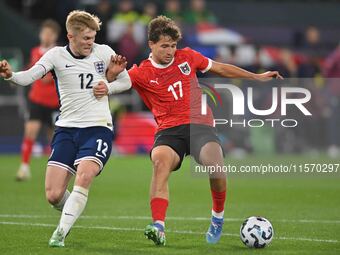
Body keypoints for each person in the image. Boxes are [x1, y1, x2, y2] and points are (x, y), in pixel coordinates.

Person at [104, 16, 283, 246]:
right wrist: (111, 74)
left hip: (200, 125)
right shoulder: (141, 73)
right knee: (160, 162)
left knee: (216, 166)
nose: (170, 51)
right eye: (164, 46)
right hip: (169, 130)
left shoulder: (187, 56)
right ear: (151, 44)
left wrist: (255, 76)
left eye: (172, 46)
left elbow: (220, 68)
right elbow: (109, 87)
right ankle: (158, 226)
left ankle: (217, 217)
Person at [0, 10, 131, 247]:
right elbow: (29, 76)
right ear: (71, 36)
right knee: (53, 195)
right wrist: (10, 75)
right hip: (67, 130)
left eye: (93, 37)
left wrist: (108, 88)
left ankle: (60, 232)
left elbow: (127, 81)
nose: (91, 43)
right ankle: (73, 209)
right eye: (86, 38)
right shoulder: (56, 56)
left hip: (98, 127)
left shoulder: (104, 52)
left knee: (84, 175)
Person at [16, 19, 61, 181]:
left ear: (55, 36)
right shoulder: (35, 51)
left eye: (50, 33)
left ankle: (56, 170)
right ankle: (24, 167)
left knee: (55, 138)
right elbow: (31, 70)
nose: (47, 36)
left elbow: (45, 78)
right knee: (30, 132)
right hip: (36, 100)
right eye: (45, 33)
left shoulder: (58, 53)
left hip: (54, 102)